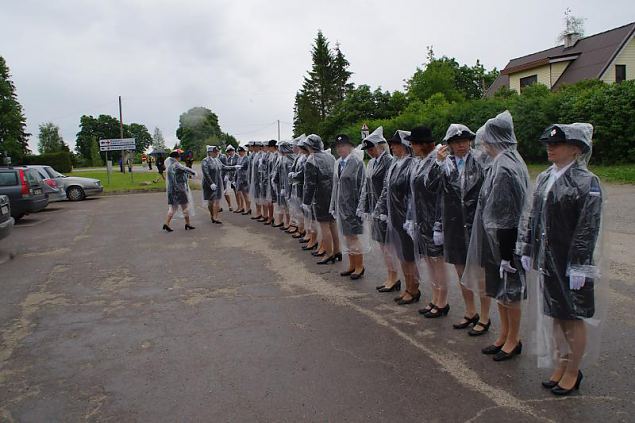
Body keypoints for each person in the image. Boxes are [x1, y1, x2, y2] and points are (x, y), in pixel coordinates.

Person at [520, 123, 603, 395]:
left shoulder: (587, 181)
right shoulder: (546, 177)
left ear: (576, 149)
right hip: (549, 259)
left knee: (573, 317)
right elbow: (534, 216)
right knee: (556, 314)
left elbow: (588, 227)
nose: (550, 148)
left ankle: (573, 370)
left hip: (572, 262)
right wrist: (527, 248)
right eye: (549, 144)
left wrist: (580, 264)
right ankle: (561, 363)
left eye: (556, 144)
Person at [461, 111, 530, 361]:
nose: (482, 147)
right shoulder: (498, 164)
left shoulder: (506, 167)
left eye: (485, 141)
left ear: (494, 141)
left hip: (505, 241)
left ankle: (513, 339)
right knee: (500, 291)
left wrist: (506, 252)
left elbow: (508, 215)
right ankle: (503, 335)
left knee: (510, 293)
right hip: (496, 239)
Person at [426, 124, 491, 335]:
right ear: (449, 145)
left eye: (464, 141)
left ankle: (485, 316)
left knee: (480, 274)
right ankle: (470, 311)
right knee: (462, 272)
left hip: (477, 225)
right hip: (453, 224)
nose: (461, 145)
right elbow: (431, 188)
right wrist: (437, 163)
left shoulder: (481, 160)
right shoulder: (446, 163)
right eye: (456, 142)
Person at [404, 126, 450, 317]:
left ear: (423, 144)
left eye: (414, 144)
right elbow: (414, 193)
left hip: (434, 219)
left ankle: (442, 301)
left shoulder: (437, 160)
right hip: (422, 218)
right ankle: (434, 297)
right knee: (430, 262)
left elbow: (437, 190)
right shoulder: (421, 161)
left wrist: (439, 224)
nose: (412, 147)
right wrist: (411, 218)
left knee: (437, 262)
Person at [375, 130, 420, 305]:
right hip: (395, 214)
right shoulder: (395, 164)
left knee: (409, 255)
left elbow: (413, 193)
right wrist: (381, 210)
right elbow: (386, 189)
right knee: (402, 254)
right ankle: (407, 287)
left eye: (396, 144)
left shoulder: (412, 164)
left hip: (407, 217)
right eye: (391, 144)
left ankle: (414, 289)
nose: (392, 147)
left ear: (405, 146)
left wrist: (410, 216)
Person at [358, 127, 398, 292]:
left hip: (385, 210)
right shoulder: (373, 162)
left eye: (372, 148)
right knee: (383, 246)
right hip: (376, 209)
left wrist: (382, 210)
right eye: (368, 149)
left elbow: (387, 187)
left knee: (388, 246)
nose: (370, 152)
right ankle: (390, 276)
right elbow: (367, 186)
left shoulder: (388, 161)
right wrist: (364, 206)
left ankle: (394, 278)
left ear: (381, 146)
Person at [331, 134, 368, 279]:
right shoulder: (339, 163)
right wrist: (333, 206)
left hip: (353, 206)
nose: (340, 149)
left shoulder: (357, 162)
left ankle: (359, 266)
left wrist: (361, 206)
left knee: (353, 237)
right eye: (338, 146)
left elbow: (362, 185)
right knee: (347, 237)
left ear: (350, 146)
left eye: (343, 146)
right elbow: (335, 186)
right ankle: (352, 265)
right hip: (341, 206)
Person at [301, 134, 341, 264]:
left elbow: (310, 183)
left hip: (321, 195)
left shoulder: (311, 160)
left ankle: (328, 253)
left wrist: (306, 201)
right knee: (333, 224)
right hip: (333, 193)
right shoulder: (330, 156)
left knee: (324, 225)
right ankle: (337, 251)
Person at [163, 150, 196, 231]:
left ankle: (166, 223)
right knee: (185, 206)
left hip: (171, 190)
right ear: (176, 158)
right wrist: (194, 173)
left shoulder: (170, 166)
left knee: (172, 208)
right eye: (179, 156)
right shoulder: (176, 165)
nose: (180, 157)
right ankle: (187, 224)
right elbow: (186, 169)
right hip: (179, 189)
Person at [286, 134, 307, 235]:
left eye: (294, 146)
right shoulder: (298, 157)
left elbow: (302, 173)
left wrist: (292, 175)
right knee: (297, 209)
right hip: (296, 187)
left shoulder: (303, 158)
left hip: (301, 187)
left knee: (301, 210)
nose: (292, 148)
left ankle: (302, 230)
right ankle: (300, 228)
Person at [272, 141, 296, 230]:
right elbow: (277, 172)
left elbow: (289, 175)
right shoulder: (282, 158)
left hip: (288, 187)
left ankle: (291, 224)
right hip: (282, 186)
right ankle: (287, 222)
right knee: (285, 206)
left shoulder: (289, 159)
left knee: (290, 206)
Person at [201, 145, 225, 224]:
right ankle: (212, 215)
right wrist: (211, 183)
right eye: (215, 152)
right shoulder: (205, 161)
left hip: (217, 183)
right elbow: (206, 173)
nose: (216, 153)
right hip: (208, 184)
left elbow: (224, 167)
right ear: (210, 152)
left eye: (217, 151)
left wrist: (234, 167)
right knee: (210, 202)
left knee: (216, 200)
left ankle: (215, 217)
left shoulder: (217, 160)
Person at [221, 145, 239, 211]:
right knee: (230, 192)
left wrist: (234, 178)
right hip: (230, 178)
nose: (230, 152)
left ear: (234, 151)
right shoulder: (228, 158)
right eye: (228, 151)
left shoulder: (237, 157)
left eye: (231, 151)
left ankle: (240, 206)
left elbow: (238, 168)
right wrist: (227, 175)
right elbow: (227, 167)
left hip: (237, 177)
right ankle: (236, 206)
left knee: (238, 193)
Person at [235, 145, 251, 214]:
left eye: (241, 151)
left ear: (244, 152)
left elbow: (245, 166)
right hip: (239, 178)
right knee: (242, 194)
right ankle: (245, 208)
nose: (240, 153)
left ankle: (248, 209)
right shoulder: (239, 158)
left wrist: (240, 166)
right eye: (239, 151)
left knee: (246, 194)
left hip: (245, 179)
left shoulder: (246, 158)